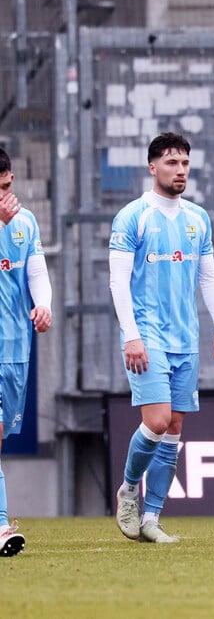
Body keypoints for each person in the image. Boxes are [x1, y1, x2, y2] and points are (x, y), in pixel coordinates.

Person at [110, 132, 214, 543]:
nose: (180, 171)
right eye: (171, 163)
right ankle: (129, 490)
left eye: (184, 163)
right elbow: (118, 282)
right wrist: (131, 335)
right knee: (158, 420)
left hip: (185, 338)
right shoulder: (133, 217)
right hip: (147, 337)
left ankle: (152, 518)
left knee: (175, 426)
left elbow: (208, 277)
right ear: (153, 167)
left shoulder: (198, 219)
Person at [0, 148, 52, 557]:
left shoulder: (26, 222)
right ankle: (1, 524)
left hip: (15, 347)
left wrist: (43, 303)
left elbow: (36, 270)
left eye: (6, 186)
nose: (4, 195)